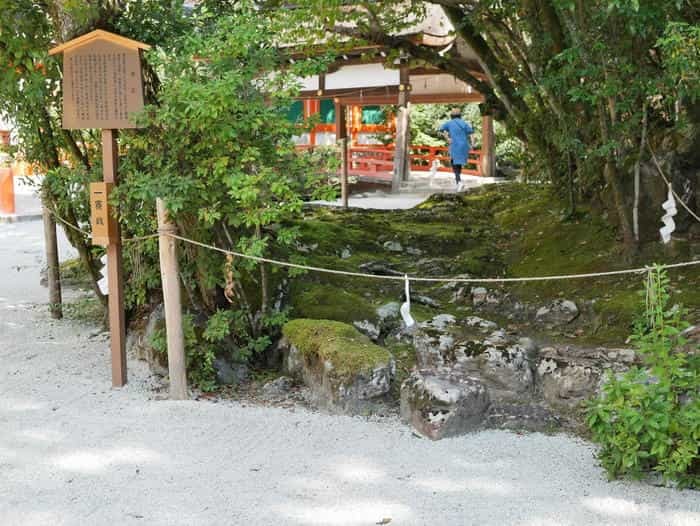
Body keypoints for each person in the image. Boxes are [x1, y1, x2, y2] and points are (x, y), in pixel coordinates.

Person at [439, 108, 474, 191]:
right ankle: (459, 182)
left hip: (455, 144)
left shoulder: (449, 123)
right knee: (458, 163)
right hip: (464, 145)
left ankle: (459, 182)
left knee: (454, 162)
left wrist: (447, 138)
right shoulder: (464, 123)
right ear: (460, 115)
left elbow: (441, 130)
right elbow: (472, 134)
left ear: (451, 116)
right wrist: (472, 144)